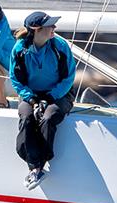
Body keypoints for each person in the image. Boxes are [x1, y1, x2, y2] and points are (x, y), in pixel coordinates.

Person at [10, 11, 77, 190]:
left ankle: (40, 163)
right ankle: (34, 167)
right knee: (26, 118)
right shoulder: (19, 49)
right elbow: (15, 79)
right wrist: (31, 99)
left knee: (48, 117)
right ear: (36, 30)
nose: (54, 28)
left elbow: (69, 78)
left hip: (59, 94)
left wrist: (49, 98)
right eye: (50, 25)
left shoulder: (60, 46)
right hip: (31, 94)